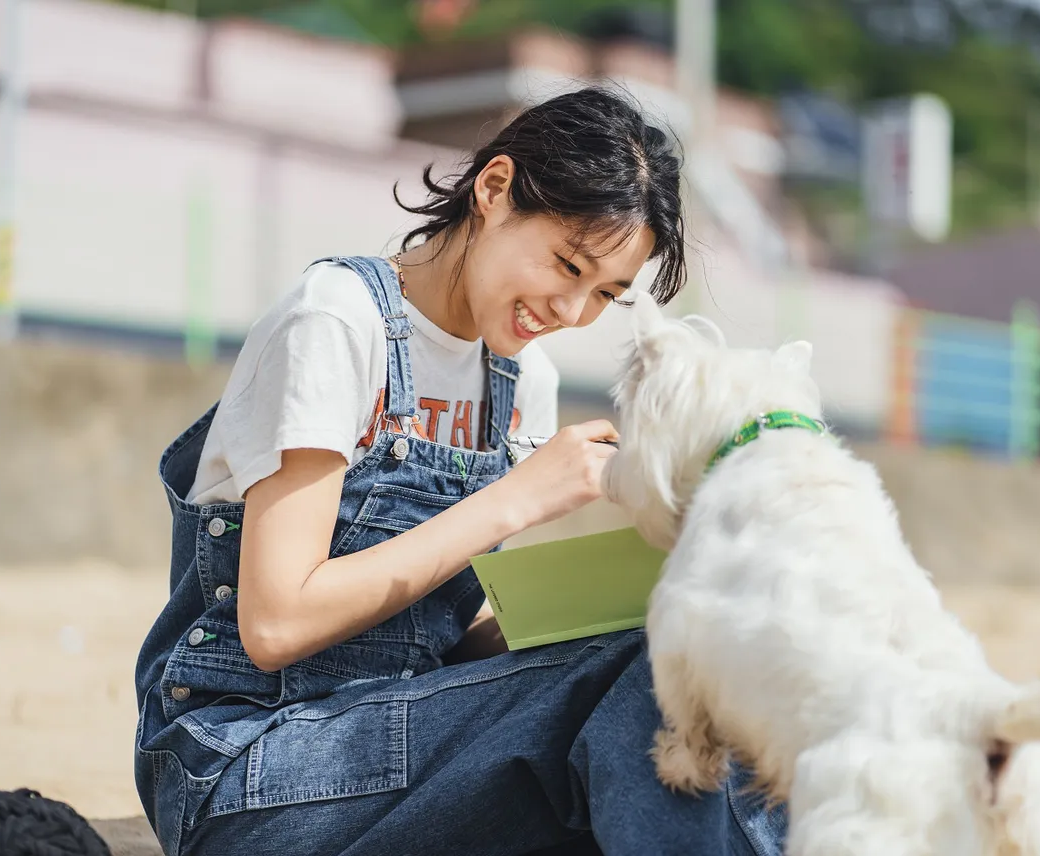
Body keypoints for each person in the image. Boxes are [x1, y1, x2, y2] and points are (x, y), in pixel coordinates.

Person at [133, 86, 788, 856]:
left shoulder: (521, 383)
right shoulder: (337, 322)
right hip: (247, 770)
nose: (571, 311)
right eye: (567, 263)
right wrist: (515, 500)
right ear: (494, 188)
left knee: (697, 657)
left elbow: (431, 654)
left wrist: (617, 602)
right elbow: (277, 623)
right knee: (649, 689)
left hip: (400, 750)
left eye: (604, 295)